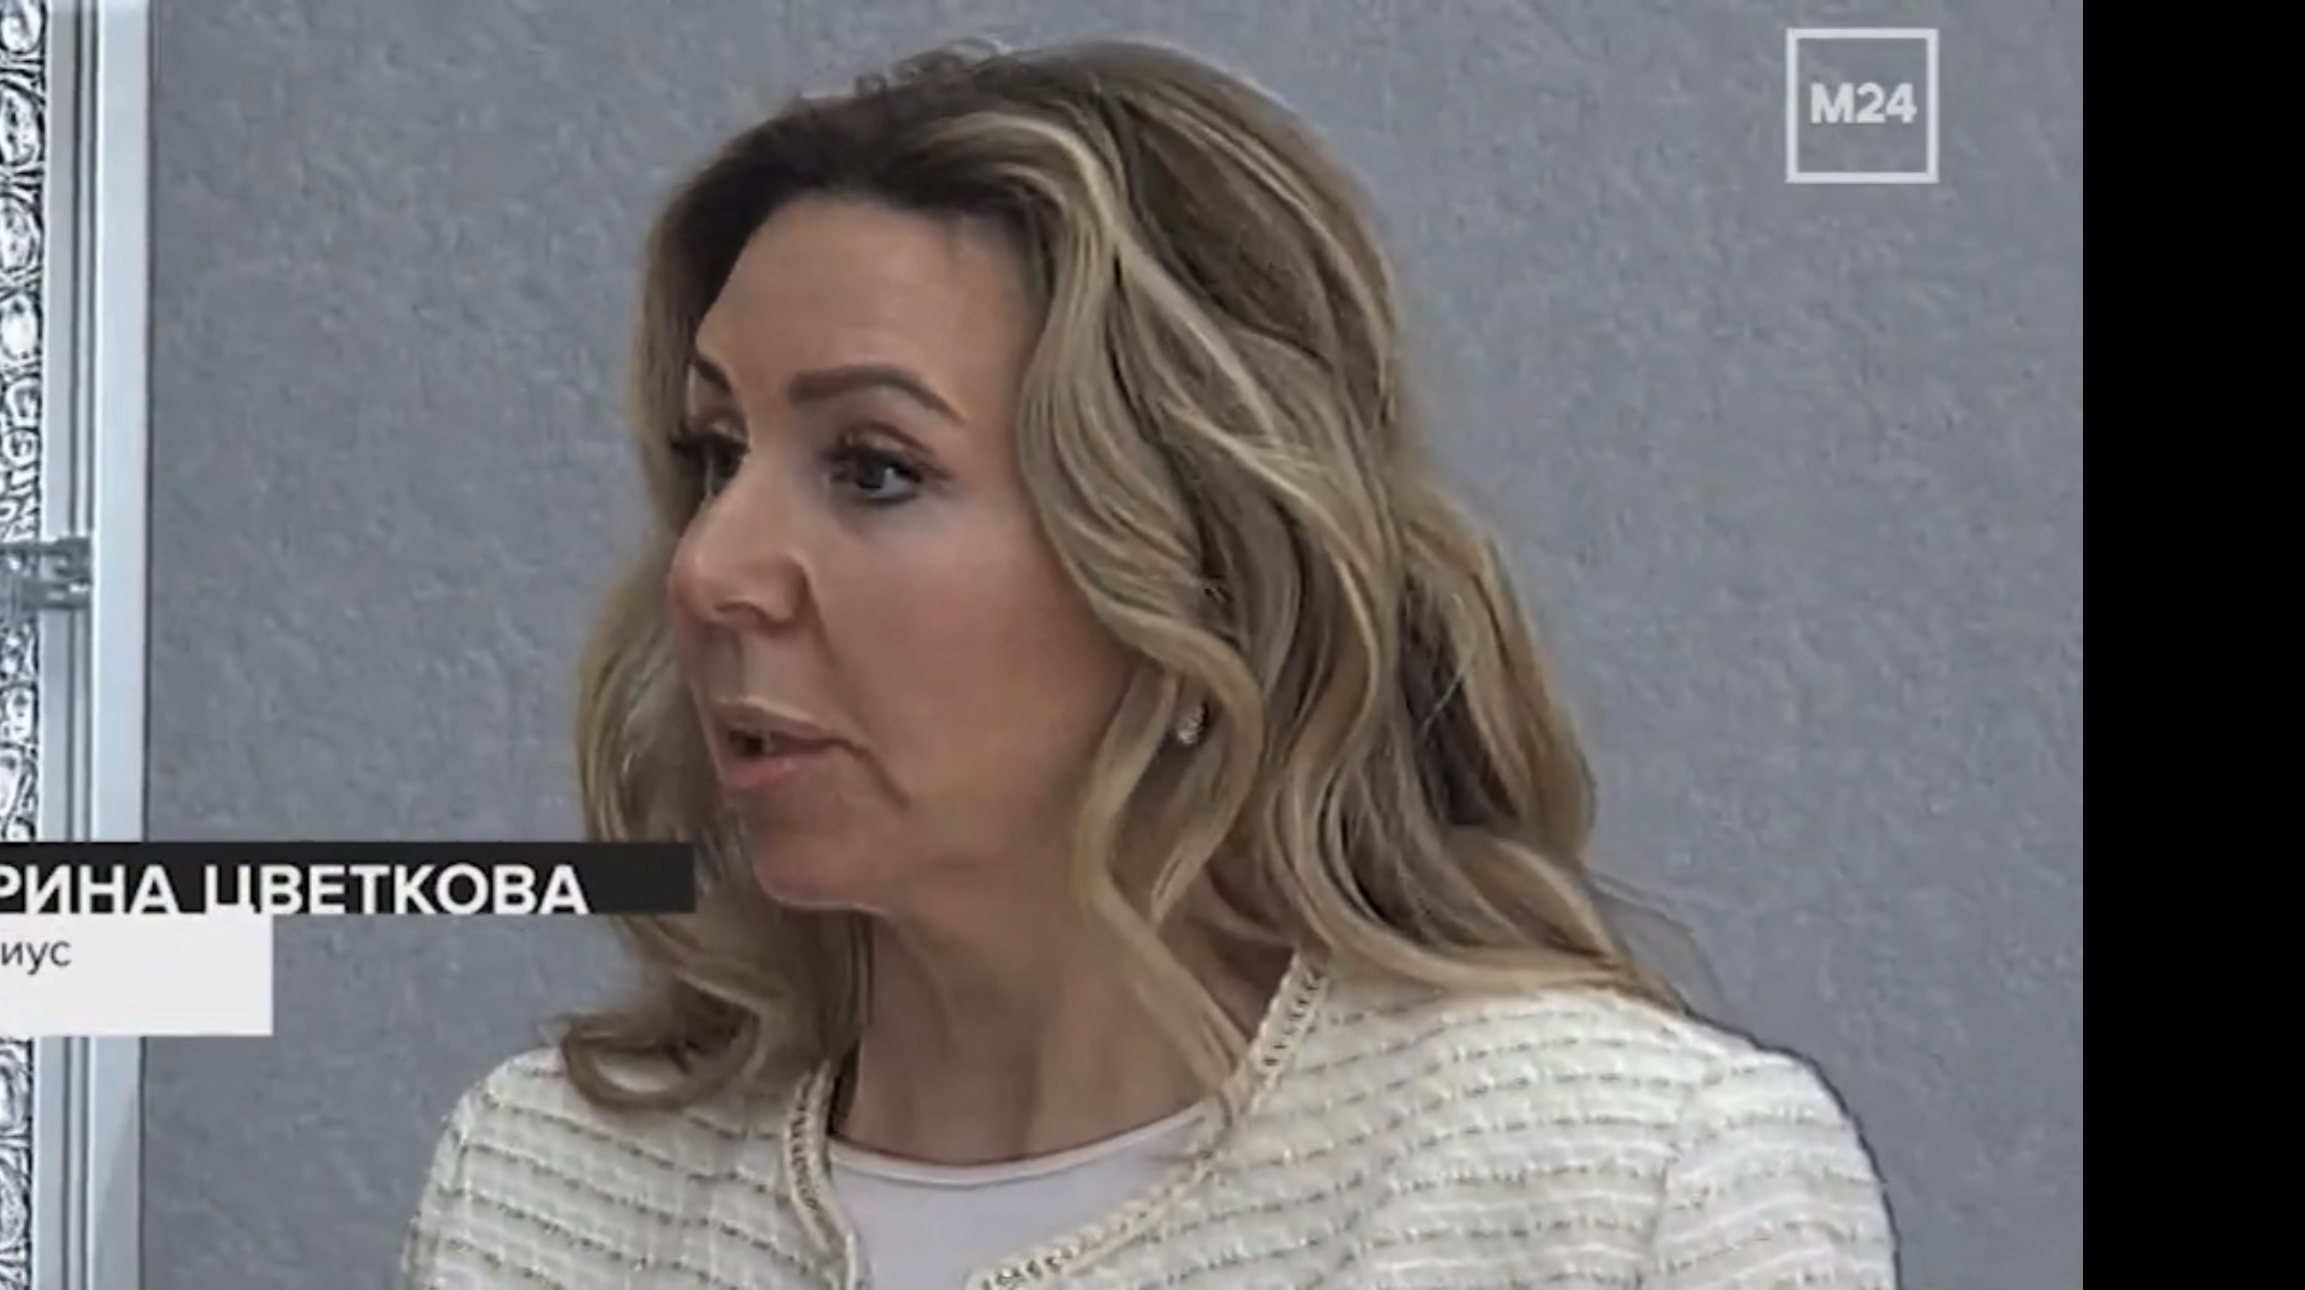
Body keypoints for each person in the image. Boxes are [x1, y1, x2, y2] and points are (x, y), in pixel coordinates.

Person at [402, 39, 1896, 1290]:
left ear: (1196, 567)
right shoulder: (549, 1193)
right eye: (716, 454)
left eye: (873, 468)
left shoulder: (1631, 1189)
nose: (710, 570)